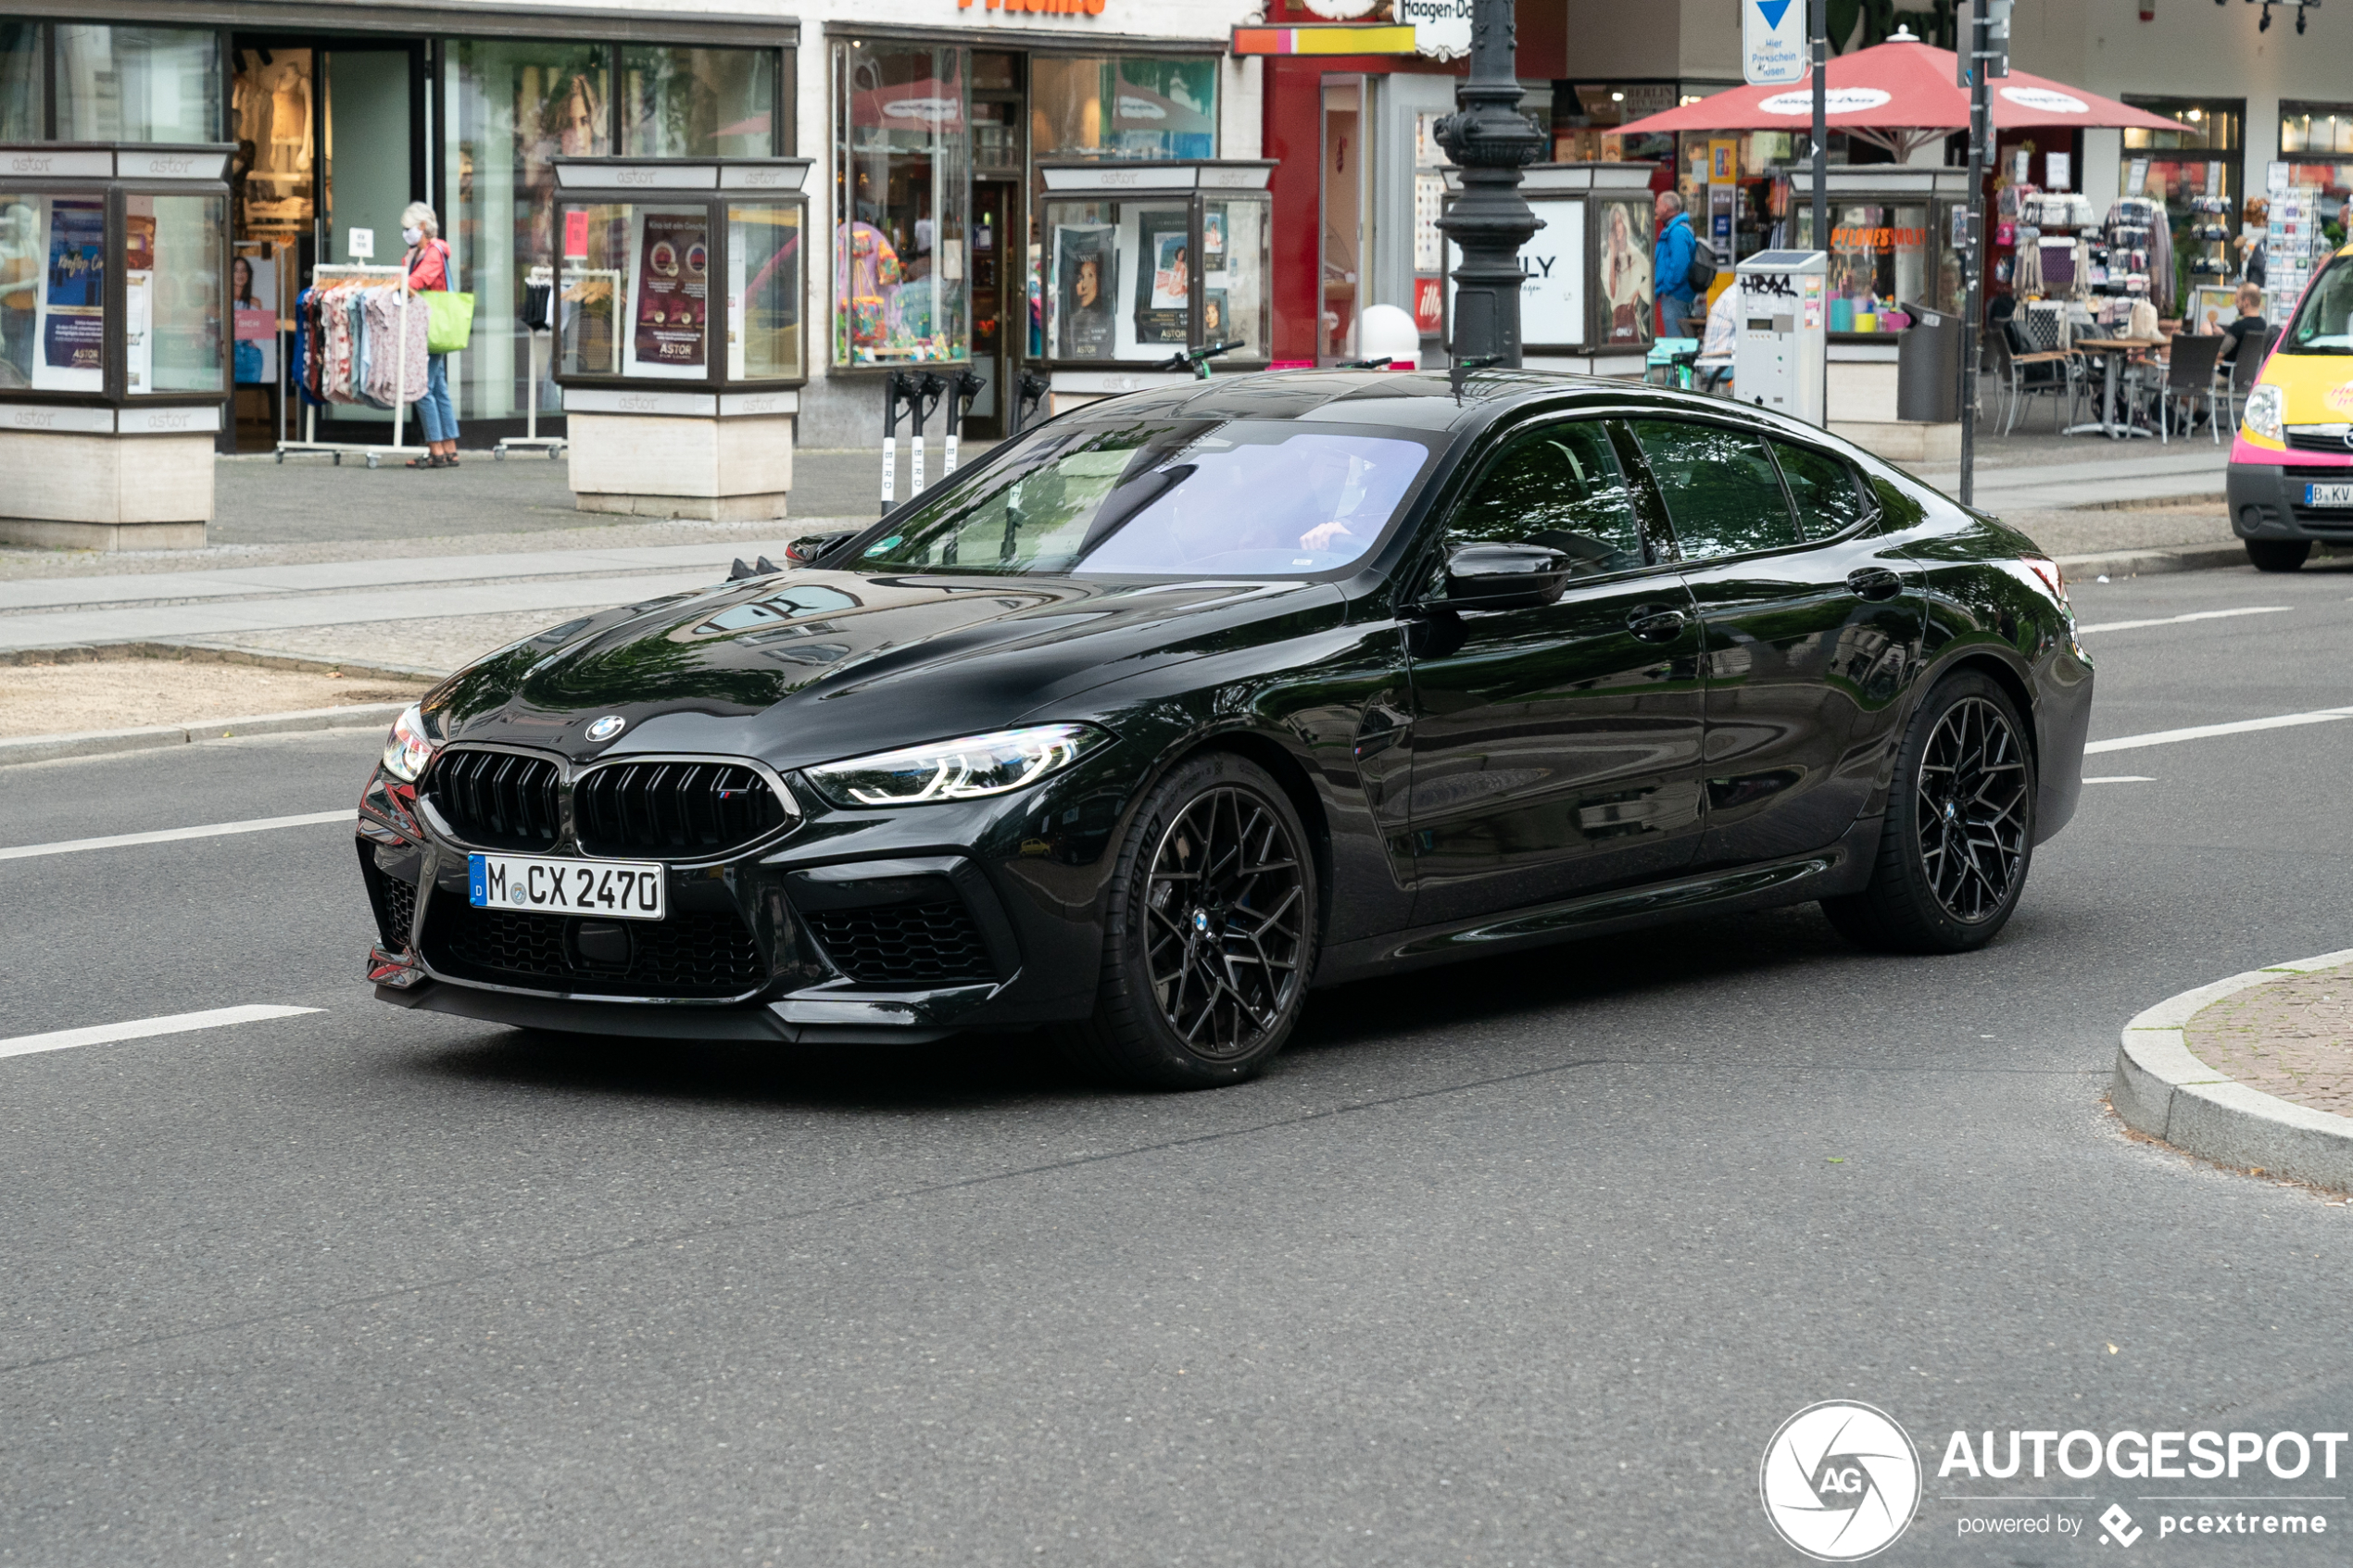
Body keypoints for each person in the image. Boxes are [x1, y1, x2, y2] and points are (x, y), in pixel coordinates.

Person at [402, 201, 459, 469]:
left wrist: (393, 283)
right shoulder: (418, 252)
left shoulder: (434, 252)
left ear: (422, 227)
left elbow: (417, 281)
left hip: (430, 326)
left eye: (408, 228)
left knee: (421, 387)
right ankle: (449, 448)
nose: (405, 233)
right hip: (429, 326)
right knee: (437, 386)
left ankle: (435, 448)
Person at [1654, 189, 1697, 336]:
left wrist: (1666, 289)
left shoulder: (1677, 232)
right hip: (1674, 294)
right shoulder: (1676, 230)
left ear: (1666, 207)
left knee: (1675, 339)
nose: (1656, 209)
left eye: (1658, 205)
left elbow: (1679, 265)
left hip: (1675, 296)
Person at [2221, 282, 2268, 366]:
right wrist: (2221, 334)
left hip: (2227, 375)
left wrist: (2208, 334)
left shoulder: (2238, 327)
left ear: (2246, 302)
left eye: (2237, 300)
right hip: (2248, 376)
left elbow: (2219, 353)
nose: (2235, 303)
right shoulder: (2263, 325)